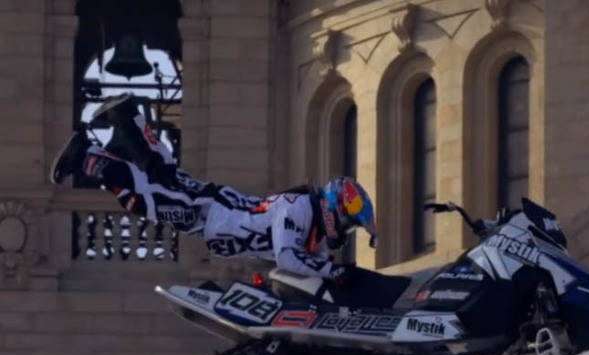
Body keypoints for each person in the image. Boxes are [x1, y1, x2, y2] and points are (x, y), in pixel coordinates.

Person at [50, 94, 376, 281]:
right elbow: (289, 258)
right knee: (146, 196)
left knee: (160, 176)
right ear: (335, 208)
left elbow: (308, 264)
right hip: (211, 213)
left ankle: (126, 126)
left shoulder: (311, 230)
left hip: (214, 214)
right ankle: (91, 153)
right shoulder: (300, 210)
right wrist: (335, 272)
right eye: (349, 223)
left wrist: (335, 274)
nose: (345, 232)